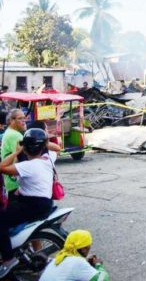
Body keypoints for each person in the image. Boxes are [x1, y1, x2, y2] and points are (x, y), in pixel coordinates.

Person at [0, 129, 56, 276]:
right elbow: (57, 148)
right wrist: (45, 143)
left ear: (25, 148)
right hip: (43, 203)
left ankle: (8, 259)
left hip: (32, 205)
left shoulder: (28, 166)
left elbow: (2, 167)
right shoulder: (48, 158)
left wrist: (16, 152)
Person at [39, 229, 109, 280]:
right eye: (89, 245)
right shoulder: (78, 262)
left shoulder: (58, 258)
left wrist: (85, 262)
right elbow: (103, 279)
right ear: (84, 249)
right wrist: (99, 265)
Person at [1, 109, 27, 202]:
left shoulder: (9, 132)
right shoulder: (15, 136)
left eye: (24, 118)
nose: (24, 121)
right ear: (11, 121)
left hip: (11, 182)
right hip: (17, 184)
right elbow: (22, 158)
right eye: (20, 118)